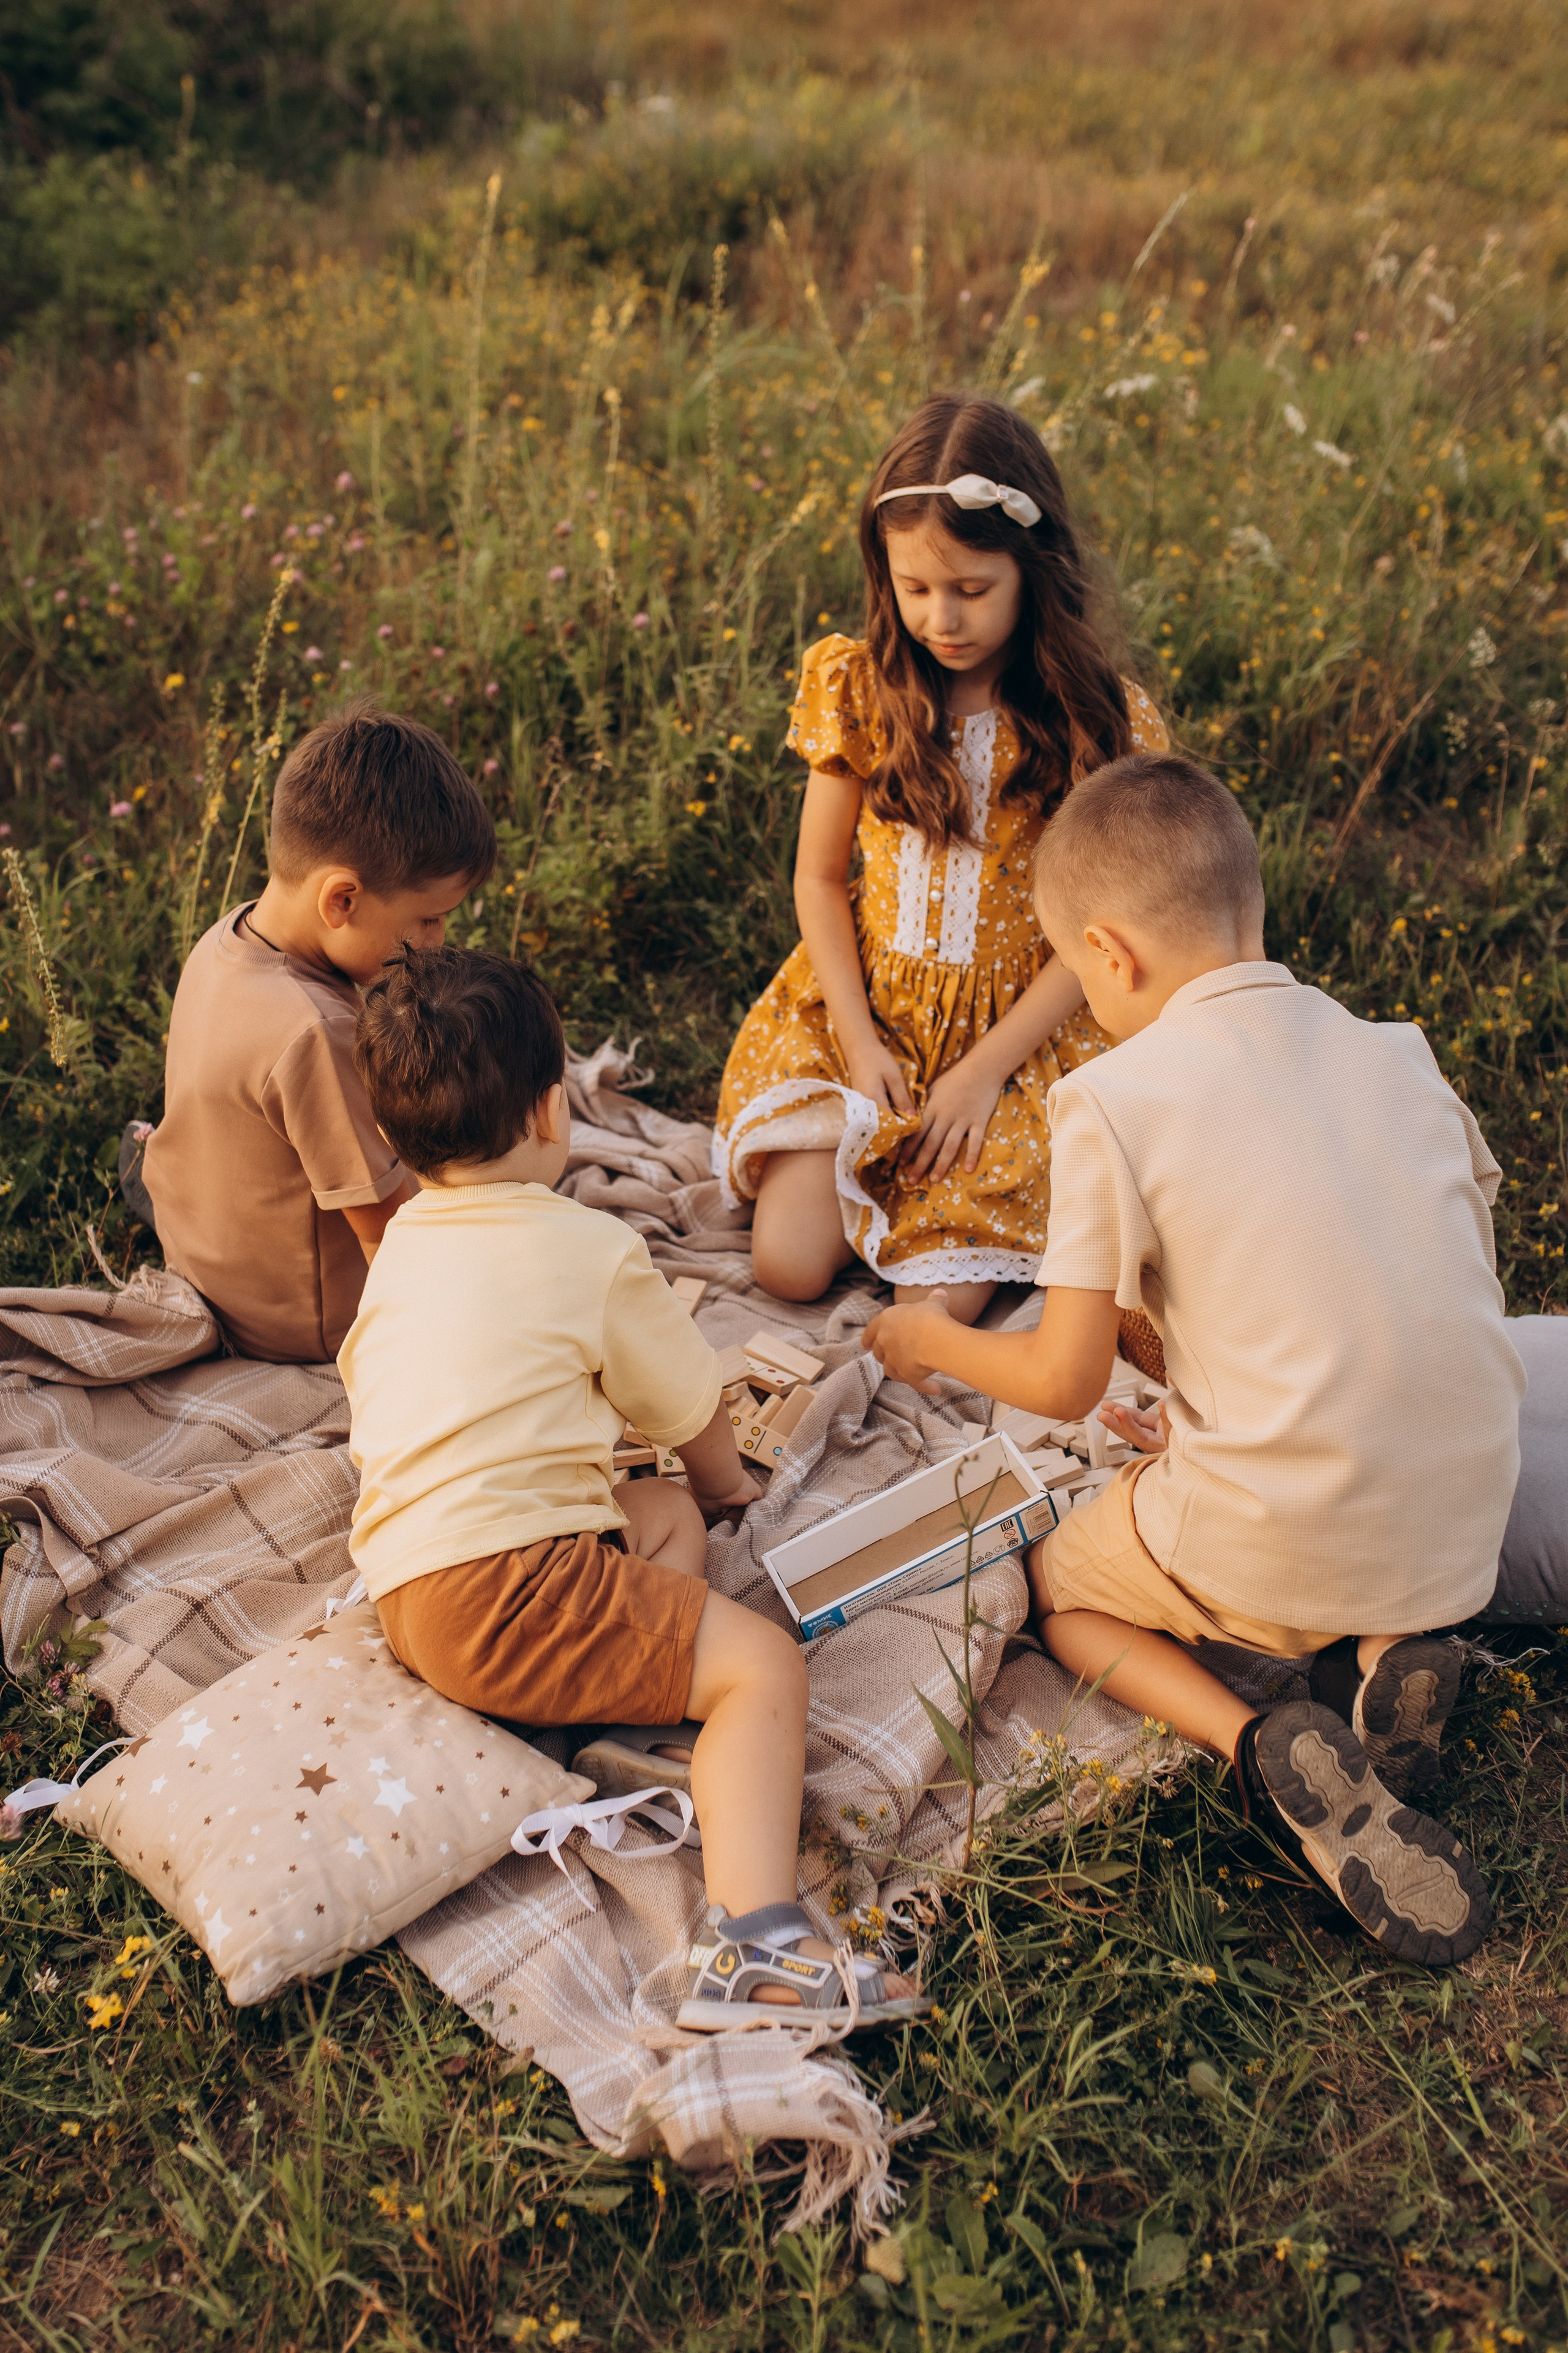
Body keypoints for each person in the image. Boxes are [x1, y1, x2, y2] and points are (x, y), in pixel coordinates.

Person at [863, 752, 1525, 1968]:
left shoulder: (1109, 1099)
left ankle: (1253, 1749)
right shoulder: (1398, 1051)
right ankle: (1390, 1654)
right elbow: (1419, 1276)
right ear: (1248, 902)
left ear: (1105, 957)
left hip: (1278, 1525)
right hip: (1463, 1518)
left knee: (1060, 1588)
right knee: (1365, 1490)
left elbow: (1063, 1381)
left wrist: (928, 1338)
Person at [341, 945, 925, 2031]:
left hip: (413, 1595)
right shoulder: (592, 1248)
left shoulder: (403, 1247)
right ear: (554, 1112)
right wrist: (731, 1483)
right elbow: (694, 1420)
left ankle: (628, 1698)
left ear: (392, 1134)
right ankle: (755, 1942)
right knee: (759, 1667)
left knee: (649, 1515)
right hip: (510, 1594)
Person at [714, 391, 1169, 1332]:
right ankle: (893, 1197)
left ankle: (976, 1227)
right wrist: (859, 1035)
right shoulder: (861, 686)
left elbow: (1101, 937)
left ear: (1032, 572)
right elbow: (817, 878)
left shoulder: (1093, 721)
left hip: (1019, 1037)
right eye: (915, 589)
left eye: (971, 590)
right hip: (870, 1016)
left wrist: (983, 1072)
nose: (940, 617)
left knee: (937, 1307)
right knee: (787, 1264)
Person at [143, 706, 495, 1364]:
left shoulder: (228, 937)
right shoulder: (317, 1030)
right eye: (427, 919)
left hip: (204, 1261)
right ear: (342, 901)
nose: (437, 941)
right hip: (302, 1324)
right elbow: (388, 1232)